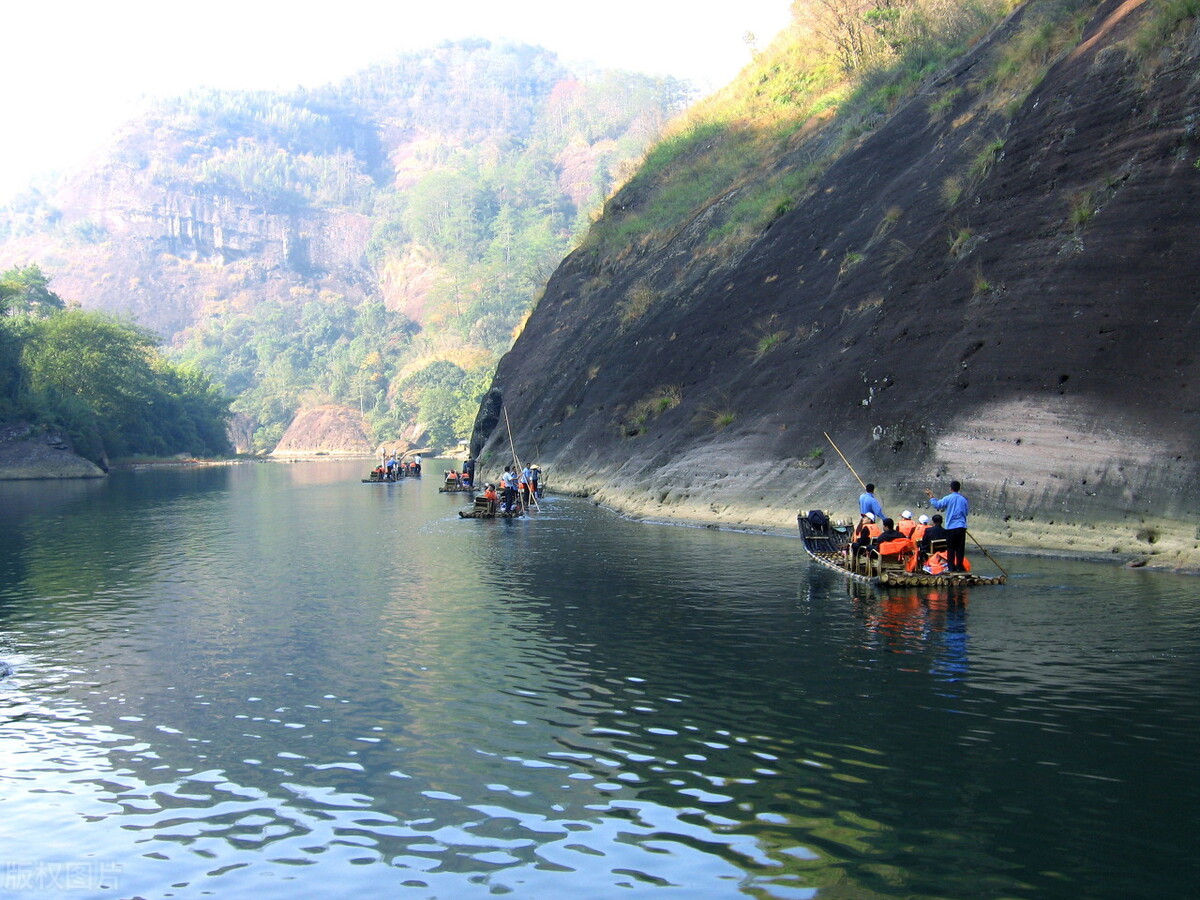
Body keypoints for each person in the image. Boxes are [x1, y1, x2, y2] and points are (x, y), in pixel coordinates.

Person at [927, 481, 969, 572]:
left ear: (951, 489)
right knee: (960, 549)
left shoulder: (948, 498)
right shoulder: (964, 500)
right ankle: (959, 567)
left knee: (951, 548)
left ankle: (951, 568)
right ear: (959, 488)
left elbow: (937, 505)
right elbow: (966, 513)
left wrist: (931, 497)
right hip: (961, 526)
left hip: (951, 527)